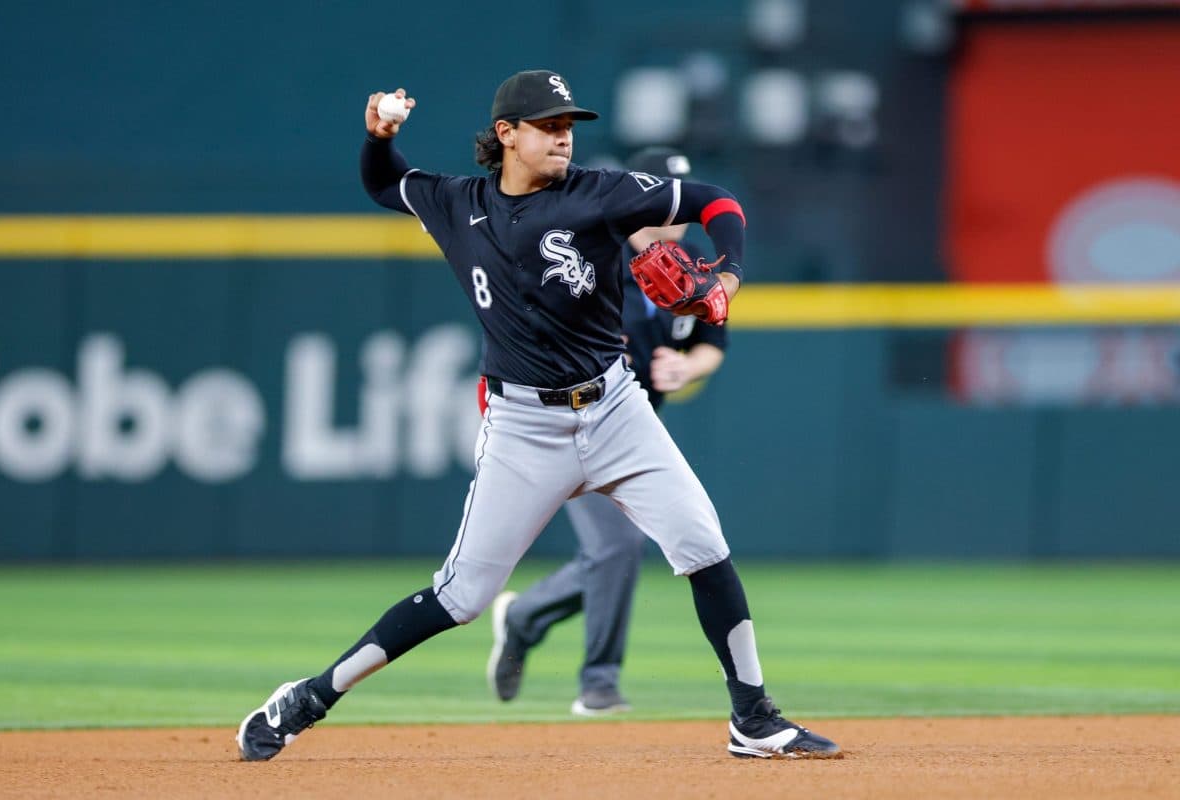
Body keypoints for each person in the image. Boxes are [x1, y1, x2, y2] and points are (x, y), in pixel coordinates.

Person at [235, 69, 839, 761]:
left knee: (704, 546)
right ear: (507, 135)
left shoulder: (603, 194)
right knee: (461, 597)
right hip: (524, 428)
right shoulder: (454, 203)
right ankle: (308, 697)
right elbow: (382, 182)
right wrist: (378, 136)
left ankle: (753, 717)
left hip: (614, 409)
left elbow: (717, 202)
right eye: (549, 126)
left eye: (569, 126)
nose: (563, 138)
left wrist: (726, 277)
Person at [486, 146, 731, 716]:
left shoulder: (688, 263)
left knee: (621, 552)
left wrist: (686, 366)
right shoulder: (589, 252)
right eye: (662, 201)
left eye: (679, 203)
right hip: (566, 423)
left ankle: (525, 616)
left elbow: (712, 346)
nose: (673, 217)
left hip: (635, 430)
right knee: (617, 545)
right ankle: (599, 683)